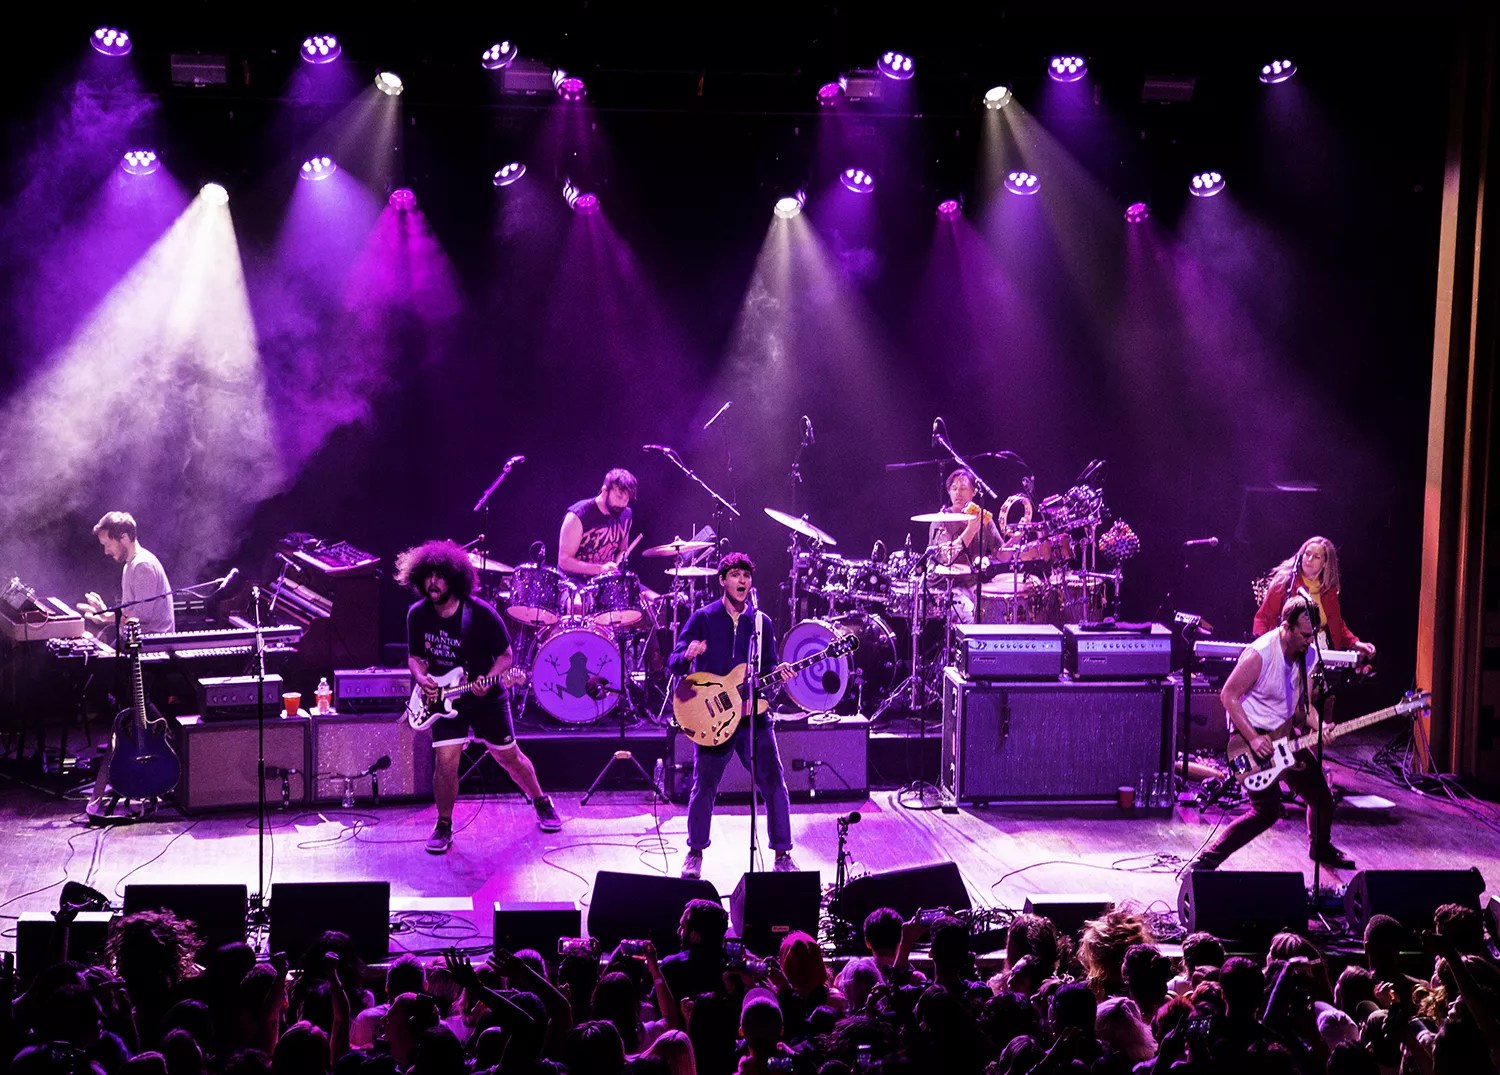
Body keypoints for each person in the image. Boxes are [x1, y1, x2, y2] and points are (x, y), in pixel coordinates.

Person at [396, 539, 561, 853]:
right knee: (446, 762)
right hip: (442, 698)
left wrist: (488, 678)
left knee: (508, 757)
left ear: (454, 578)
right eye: (428, 576)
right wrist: (420, 677)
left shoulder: (481, 614)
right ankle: (444, 824)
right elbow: (415, 657)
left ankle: (541, 801)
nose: (433, 582)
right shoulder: (417, 615)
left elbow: (507, 656)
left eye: (440, 576)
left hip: (485, 697)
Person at [1190, 595, 1354, 871]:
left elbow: (1303, 708)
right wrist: (1254, 738)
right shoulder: (1261, 653)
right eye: (1304, 635)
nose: (1309, 641)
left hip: (1284, 737)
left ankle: (1320, 847)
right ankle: (1206, 862)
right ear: (1286, 627)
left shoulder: (1308, 656)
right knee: (1266, 811)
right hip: (1247, 742)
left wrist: (1320, 727)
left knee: (1322, 798)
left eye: (1313, 635)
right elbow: (1228, 695)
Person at [666, 552, 795, 878]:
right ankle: (695, 853)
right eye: (736, 575)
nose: (742, 581)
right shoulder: (703, 618)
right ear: (722, 580)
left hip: (753, 717)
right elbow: (674, 661)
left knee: (774, 783)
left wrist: (777, 675)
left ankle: (783, 855)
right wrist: (687, 654)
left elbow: (768, 667)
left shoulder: (761, 623)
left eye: (746, 576)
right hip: (714, 718)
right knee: (704, 787)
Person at [1253, 536, 1375, 664]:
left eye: (1316, 557)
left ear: (1325, 563)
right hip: (1289, 651)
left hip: (1321, 651)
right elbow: (1263, 618)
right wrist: (1262, 650)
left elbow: (1337, 625)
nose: (1309, 559)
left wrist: (1355, 643)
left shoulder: (1329, 590)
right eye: (1307, 554)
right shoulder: (1285, 583)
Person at [926, 468, 1004, 624]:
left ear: (974, 492)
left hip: (973, 584)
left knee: (999, 611)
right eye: (954, 488)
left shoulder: (984, 519)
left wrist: (1016, 537)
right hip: (946, 586)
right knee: (972, 620)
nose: (958, 493)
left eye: (963, 488)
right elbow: (948, 557)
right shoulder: (941, 520)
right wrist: (971, 529)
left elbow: (1002, 555)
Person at [82, 511, 175, 635]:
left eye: (108, 544)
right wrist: (105, 613)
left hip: (152, 643)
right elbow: (131, 612)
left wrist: (105, 617)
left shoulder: (143, 565)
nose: (106, 551)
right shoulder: (130, 565)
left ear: (124, 538)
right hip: (138, 640)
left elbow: (141, 616)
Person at [559, 468, 637, 580]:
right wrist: (600, 569)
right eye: (619, 497)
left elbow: (622, 550)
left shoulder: (626, 514)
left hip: (604, 582)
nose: (622, 504)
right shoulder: (577, 516)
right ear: (605, 491)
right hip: (574, 583)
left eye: (626, 499)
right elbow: (564, 561)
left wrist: (620, 559)